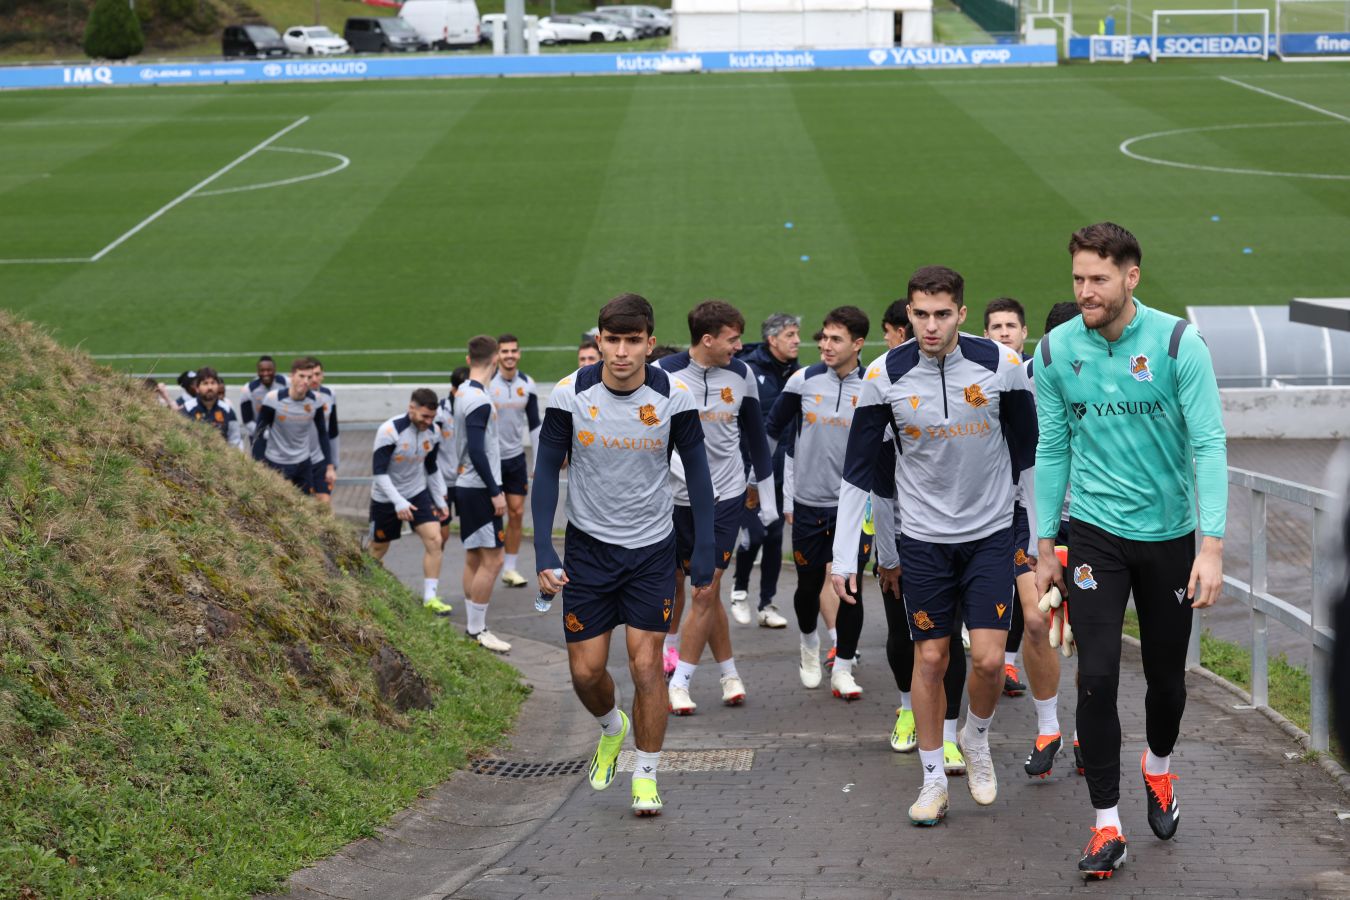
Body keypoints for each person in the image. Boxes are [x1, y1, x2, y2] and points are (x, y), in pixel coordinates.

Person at [1033, 223, 1226, 879]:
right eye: (1078, 279)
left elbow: (1209, 446)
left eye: (1098, 279)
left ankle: (1159, 767)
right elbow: (1052, 448)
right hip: (1094, 534)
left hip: (1170, 538)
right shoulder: (1057, 350)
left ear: (1131, 277)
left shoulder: (1177, 343)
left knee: (1167, 683)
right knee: (1096, 676)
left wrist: (1214, 546)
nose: (1085, 291)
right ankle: (1105, 825)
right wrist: (1043, 545)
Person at [831, 265, 1038, 827]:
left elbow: (1029, 456)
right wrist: (843, 558)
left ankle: (976, 736)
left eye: (941, 314)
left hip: (991, 534)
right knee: (931, 656)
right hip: (924, 541)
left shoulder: (1005, 366)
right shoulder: (882, 375)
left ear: (962, 314)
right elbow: (858, 472)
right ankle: (930, 783)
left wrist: (1037, 537)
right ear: (909, 312)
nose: (929, 325)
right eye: (919, 314)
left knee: (991, 661)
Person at [531, 293, 716, 817]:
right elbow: (546, 471)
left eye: (632, 341)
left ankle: (646, 776)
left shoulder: (674, 397)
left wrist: (701, 550)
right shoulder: (570, 394)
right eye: (611, 340)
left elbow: (698, 474)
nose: (620, 352)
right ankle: (613, 727)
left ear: (649, 344)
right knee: (587, 674)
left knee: (645, 666)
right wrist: (544, 547)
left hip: (652, 553)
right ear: (599, 341)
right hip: (588, 552)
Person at [657, 300, 777, 715]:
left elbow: (757, 437)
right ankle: (729, 673)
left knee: (705, 590)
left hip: (725, 500)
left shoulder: (742, 374)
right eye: (732, 339)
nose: (740, 347)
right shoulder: (663, 375)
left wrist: (766, 496)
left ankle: (681, 683)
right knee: (704, 593)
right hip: (673, 501)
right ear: (707, 340)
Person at [873, 300, 969, 775]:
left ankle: (950, 733)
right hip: (899, 537)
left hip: (947, 538)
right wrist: (886, 553)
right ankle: (908, 708)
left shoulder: (960, 381)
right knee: (901, 634)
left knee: (947, 639)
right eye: (912, 324)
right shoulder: (885, 385)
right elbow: (877, 481)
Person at [767, 307, 872, 701]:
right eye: (823, 337)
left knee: (851, 586)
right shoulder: (802, 381)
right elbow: (772, 432)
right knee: (809, 585)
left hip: (855, 507)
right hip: (809, 504)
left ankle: (843, 666)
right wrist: (761, 485)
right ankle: (809, 644)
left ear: (858, 344)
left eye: (836, 339)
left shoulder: (876, 385)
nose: (825, 346)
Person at [730, 313, 801, 631]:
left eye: (797, 334)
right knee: (754, 533)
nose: (797, 340)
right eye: (790, 334)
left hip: (782, 472)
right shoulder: (748, 371)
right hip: (748, 473)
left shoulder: (798, 376)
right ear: (773, 339)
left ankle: (766, 603)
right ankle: (739, 588)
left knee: (774, 538)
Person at [983, 297, 1033, 698]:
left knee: (1023, 586)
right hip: (989, 503)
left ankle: (1009, 663)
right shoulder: (979, 380)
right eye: (996, 327)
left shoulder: (1036, 374)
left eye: (1010, 326)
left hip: (1027, 500)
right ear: (986, 334)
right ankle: (997, 656)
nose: (1004, 333)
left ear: (1024, 333)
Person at [368, 389, 451, 616]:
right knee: (378, 548)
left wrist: (441, 499)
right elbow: (379, 473)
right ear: (411, 408)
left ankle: (430, 598)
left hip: (416, 493)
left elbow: (431, 467)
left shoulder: (433, 431)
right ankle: (363, 587)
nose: (428, 422)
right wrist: (398, 503)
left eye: (432, 417)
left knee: (435, 539)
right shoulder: (389, 431)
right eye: (424, 416)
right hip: (386, 498)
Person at [454, 336, 512, 654]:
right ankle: (477, 629)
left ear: (468, 359)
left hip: (466, 485)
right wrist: (495, 491)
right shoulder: (479, 400)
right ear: (495, 361)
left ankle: (472, 623)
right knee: (494, 559)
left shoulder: (463, 391)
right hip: (478, 488)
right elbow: (477, 449)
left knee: (474, 556)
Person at [490, 334, 542, 589]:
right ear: (497, 355)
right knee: (492, 514)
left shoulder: (527, 384)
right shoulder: (487, 384)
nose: (509, 355)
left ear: (519, 354)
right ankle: (490, 563)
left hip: (515, 459)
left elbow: (534, 424)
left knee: (517, 512)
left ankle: (509, 568)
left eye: (513, 351)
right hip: (489, 462)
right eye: (504, 351)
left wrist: (538, 462)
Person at [252, 358, 333, 495]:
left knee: (304, 508)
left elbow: (322, 433)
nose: (306, 381)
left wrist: (329, 466)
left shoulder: (316, 400)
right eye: (301, 376)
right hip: (277, 463)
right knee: (278, 506)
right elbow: (259, 433)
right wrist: (257, 465)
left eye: (309, 377)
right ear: (292, 376)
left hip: (303, 464)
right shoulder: (273, 399)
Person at [435, 367, 470, 551]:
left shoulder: (473, 407)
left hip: (467, 479)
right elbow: (430, 450)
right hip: (444, 482)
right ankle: (434, 576)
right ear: (454, 389)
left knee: (472, 534)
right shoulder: (440, 412)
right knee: (441, 534)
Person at [182, 367, 244, 450]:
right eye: (205, 383)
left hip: (223, 459)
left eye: (213, 383)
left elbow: (235, 440)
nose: (210, 387)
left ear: (218, 386)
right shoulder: (187, 409)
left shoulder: (227, 410)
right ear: (197, 388)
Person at [309, 359, 339, 508]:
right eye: (310, 375)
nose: (314, 379)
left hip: (322, 458)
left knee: (324, 503)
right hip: (300, 458)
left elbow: (332, 430)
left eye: (317, 374)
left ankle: (326, 532)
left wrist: (333, 463)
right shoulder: (296, 396)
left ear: (323, 375)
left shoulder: (329, 394)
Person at [240, 356, 287, 442]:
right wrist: (264, 433)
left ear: (275, 370)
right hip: (258, 437)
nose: (266, 373)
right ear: (257, 371)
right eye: (262, 370)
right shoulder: (248, 390)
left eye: (269, 370)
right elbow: (247, 421)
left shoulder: (286, 383)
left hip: (283, 435)